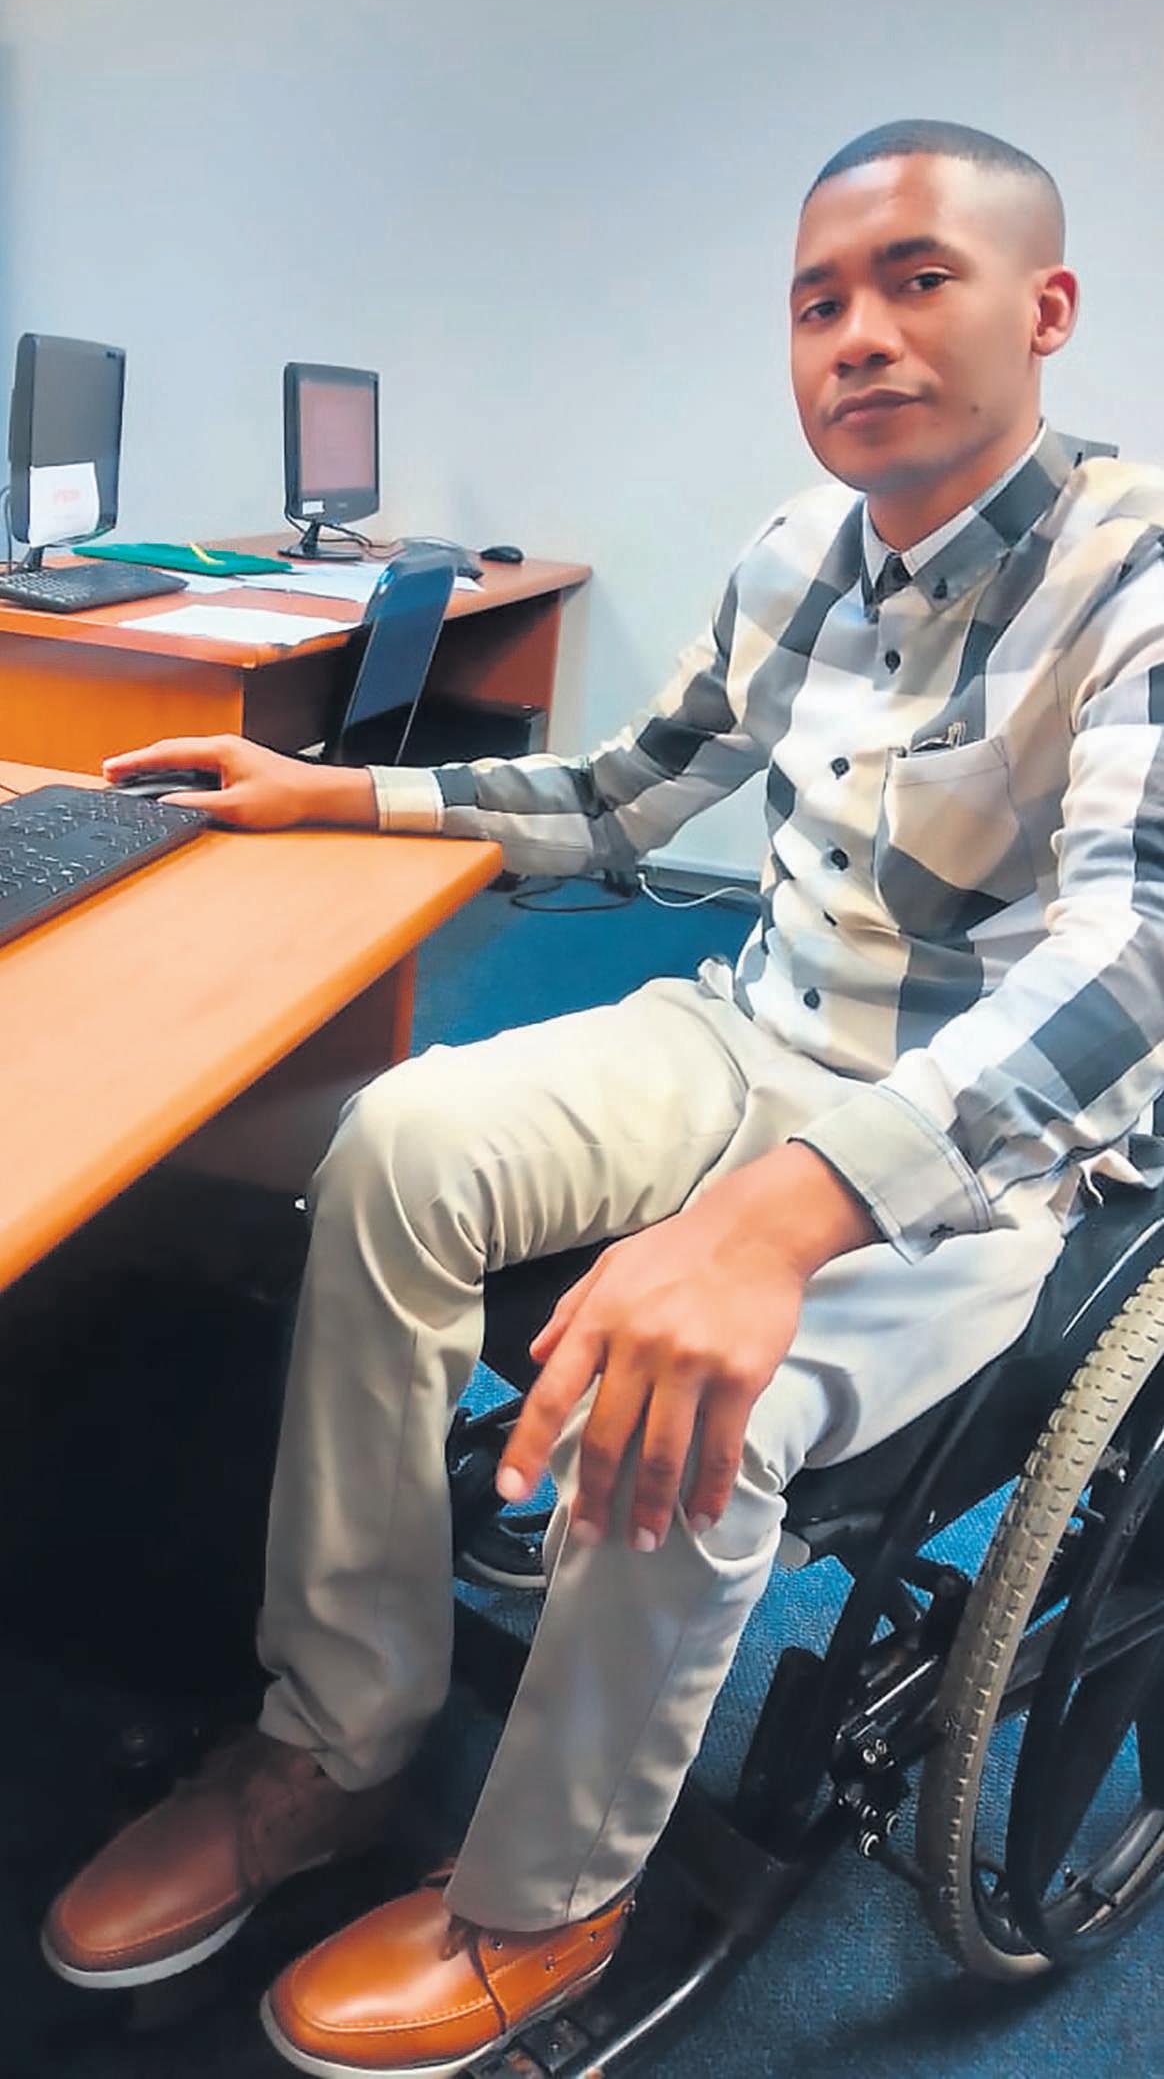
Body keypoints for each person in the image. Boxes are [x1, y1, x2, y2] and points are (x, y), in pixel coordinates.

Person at [43, 118, 1164, 2079]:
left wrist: (777, 1219)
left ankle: (547, 1892)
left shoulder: (1133, 573)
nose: (859, 333)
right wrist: (342, 788)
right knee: (400, 1145)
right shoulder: (796, 554)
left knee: (701, 1386)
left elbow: (1134, 951)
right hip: (746, 1030)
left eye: (919, 278)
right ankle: (335, 1742)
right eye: (818, 300)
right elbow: (622, 797)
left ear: (1045, 307)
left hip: (976, 1153)